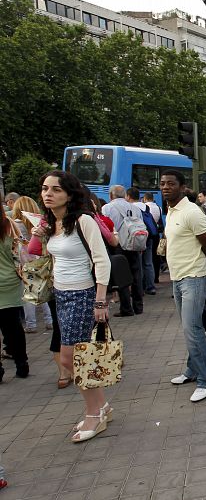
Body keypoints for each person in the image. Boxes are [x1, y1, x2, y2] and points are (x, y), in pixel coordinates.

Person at [36, 171, 111, 442]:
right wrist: (40, 235)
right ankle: (100, 407)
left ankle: (94, 414)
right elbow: (43, 256)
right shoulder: (51, 224)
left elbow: (102, 260)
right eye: (45, 189)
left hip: (82, 295)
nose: (48, 194)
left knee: (73, 359)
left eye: (55, 189)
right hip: (61, 295)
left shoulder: (84, 221)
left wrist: (100, 300)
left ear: (69, 194)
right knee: (77, 358)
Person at [161, 170, 206, 402]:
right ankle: (192, 370)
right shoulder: (171, 210)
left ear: (183, 187)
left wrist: (195, 263)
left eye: (171, 184)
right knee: (189, 327)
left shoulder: (192, 212)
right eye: (163, 183)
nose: (165, 187)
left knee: (192, 329)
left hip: (194, 277)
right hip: (179, 277)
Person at [11, 196, 54, 333]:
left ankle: (31, 324)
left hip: (25, 261)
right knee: (43, 289)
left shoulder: (16, 224)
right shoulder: (37, 221)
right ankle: (49, 320)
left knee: (28, 293)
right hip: (39, 259)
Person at [102, 185, 143, 317]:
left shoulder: (107, 208)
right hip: (133, 244)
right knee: (136, 274)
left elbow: (105, 227)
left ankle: (126, 308)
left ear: (111, 195)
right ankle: (138, 306)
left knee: (122, 276)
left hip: (117, 245)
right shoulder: (135, 208)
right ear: (125, 195)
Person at [0, 208, 28, 383]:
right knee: (14, 326)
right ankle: (21, 365)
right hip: (10, 281)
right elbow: (18, 251)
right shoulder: (8, 224)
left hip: (8, 282)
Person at [126, 187, 157, 296]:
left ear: (128, 196)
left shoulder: (130, 208)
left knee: (138, 263)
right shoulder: (146, 207)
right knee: (148, 262)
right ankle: (151, 286)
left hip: (138, 237)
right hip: (148, 235)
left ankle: (140, 287)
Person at [142, 192, 162, 285]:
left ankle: (147, 279)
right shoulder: (159, 208)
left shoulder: (143, 207)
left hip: (147, 233)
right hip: (156, 233)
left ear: (145, 198)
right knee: (155, 255)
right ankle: (156, 276)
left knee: (147, 258)